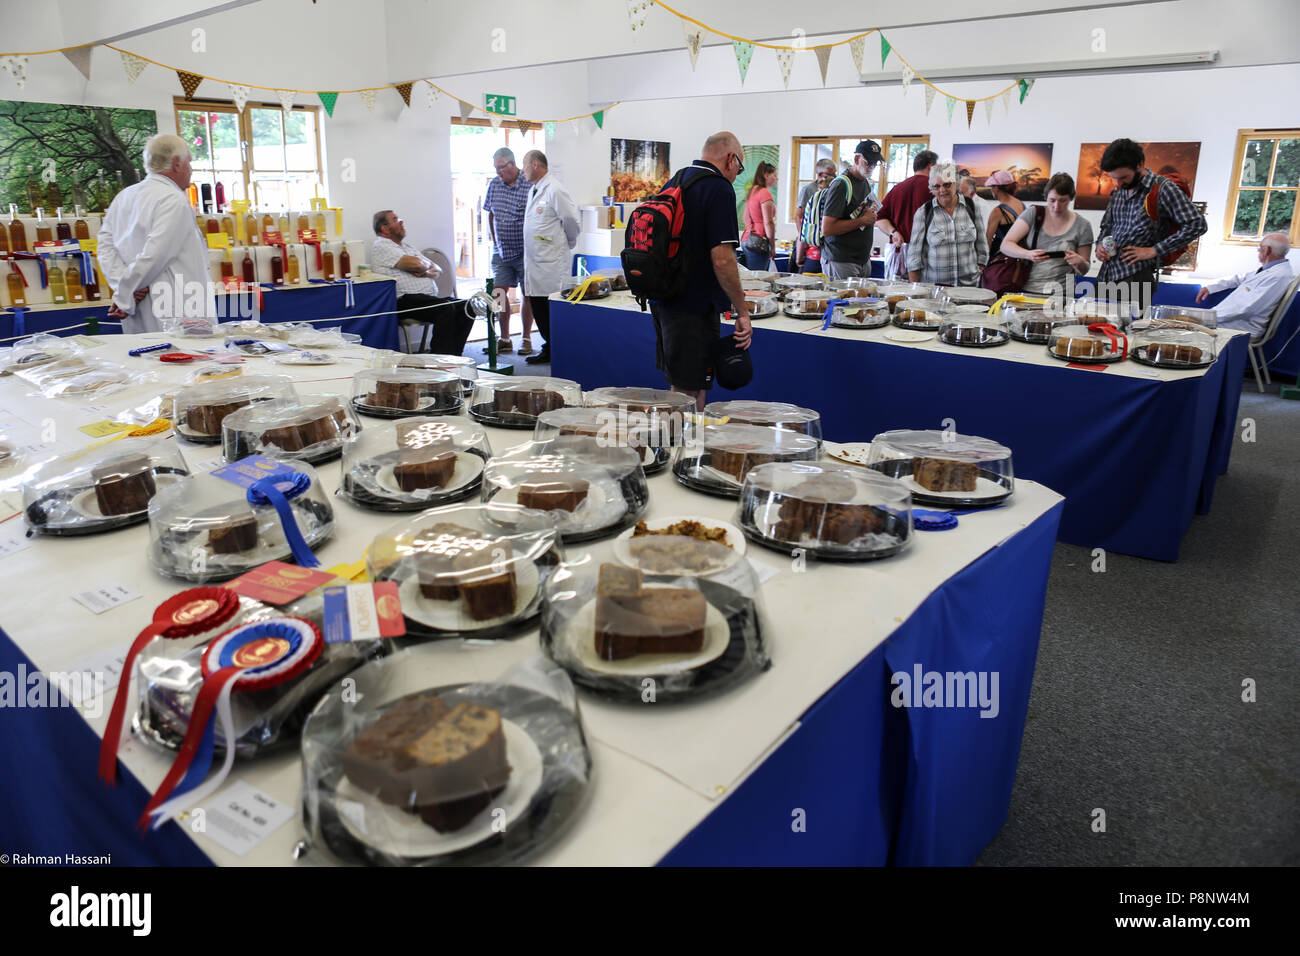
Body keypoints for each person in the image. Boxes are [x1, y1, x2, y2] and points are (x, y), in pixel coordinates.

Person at [647, 131, 753, 411]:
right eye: (739, 168)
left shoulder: (679, 179)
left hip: (665, 299)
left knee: (688, 387)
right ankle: (679, 451)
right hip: (692, 308)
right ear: (731, 159)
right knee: (688, 393)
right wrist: (742, 310)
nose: (736, 176)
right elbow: (723, 259)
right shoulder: (718, 188)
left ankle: (684, 450)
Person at [98, 133, 213, 334]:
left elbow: (105, 249)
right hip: (174, 305)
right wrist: (126, 293)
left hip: (139, 303)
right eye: (189, 163)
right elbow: (156, 253)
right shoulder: (173, 199)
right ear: (177, 164)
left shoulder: (124, 197)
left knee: (145, 361)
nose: (191, 170)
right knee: (184, 360)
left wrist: (124, 289)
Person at [1096, 137, 1207, 312]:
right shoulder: (1117, 190)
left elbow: (1197, 224)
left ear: (1140, 164)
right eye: (1114, 178)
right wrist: (1099, 246)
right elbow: (1107, 225)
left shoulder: (1163, 189)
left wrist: (1154, 250)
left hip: (1137, 276)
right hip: (1107, 273)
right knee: (1098, 327)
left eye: (1123, 177)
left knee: (1127, 332)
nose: (1118, 183)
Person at [371, 209, 473, 355]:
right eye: (395, 219)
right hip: (403, 300)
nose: (401, 221)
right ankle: (440, 358)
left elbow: (437, 269)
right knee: (445, 309)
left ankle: (454, 355)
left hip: (425, 299)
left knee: (467, 307)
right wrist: (422, 265)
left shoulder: (407, 247)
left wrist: (423, 270)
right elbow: (417, 264)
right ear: (384, 228)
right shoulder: (382, 246)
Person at [520, 150, 580, 366]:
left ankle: (557, 350)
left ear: (536, 164)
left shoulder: (554, 189)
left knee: (549, 312)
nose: (522, 170)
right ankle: (550, 347)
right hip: (537, 264)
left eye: (524, 165)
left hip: (552, 264)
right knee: (539, 309)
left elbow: (572, 220)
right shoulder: (535, 190)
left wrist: (568, 243)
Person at [998, 172, 1094, 297]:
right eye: (1052, 200)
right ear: (1046, 197)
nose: (1056, 206)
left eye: (1063, 201)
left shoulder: (1083, 225)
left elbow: (1084, 270)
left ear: (1071, 198)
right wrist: (1027, 254)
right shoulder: (1034, 214)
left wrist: (1079, 262)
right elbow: (1006, 245)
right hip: (1026, 289)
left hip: (1062, 293)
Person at [483, 147, 534, 355]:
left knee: (527, 294)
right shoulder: (494, 185)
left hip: (525, 252)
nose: (498, 173)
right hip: (501, 251)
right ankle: (504, 338)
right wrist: (496, 242)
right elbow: (490, 214)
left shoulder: (529, 184)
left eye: (500, 168)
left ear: (512, 165)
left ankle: (526, 338)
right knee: (499, 294)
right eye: (495, 169)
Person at [1195, 233, 1295, 338]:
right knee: (1188, 321)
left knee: (1187, 326)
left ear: (1267, 250)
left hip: (1242, 326)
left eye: (1259, 247)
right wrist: (1211, 287)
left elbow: (1246, 309)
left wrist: (1207, 317)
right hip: (1235, 321)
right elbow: (1239, 278)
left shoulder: (1278, 276)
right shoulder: (1270, 270)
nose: (1258, 251)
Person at [906, 160, 988, 286]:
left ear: (956, 184)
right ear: (932, 188)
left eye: (947, 185)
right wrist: (915, 291)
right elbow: (913, 258)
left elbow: (982, 247)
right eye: (937, 186)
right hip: (935, 291)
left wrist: (978, 271)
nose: (942, 190)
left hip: (969, 289)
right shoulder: (924, 212)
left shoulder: (972, 207)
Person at [819, 140, 884, 279]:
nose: (872, 166)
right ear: (856, 159)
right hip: (841, 260)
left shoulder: (865, 182)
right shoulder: (841, 185)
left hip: (862, 259)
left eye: (876, 163)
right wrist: (862, 221)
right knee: (842, 301)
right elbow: (827, 228)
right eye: (868, 162)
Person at [875, 149, 939, 279]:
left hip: (900, 255)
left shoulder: (897, 189)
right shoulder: (935, 190)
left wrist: (894, 233)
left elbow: (879, 218)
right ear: (931, 166)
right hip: (926, 256)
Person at [793, 158, 836, 272]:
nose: (835, 177)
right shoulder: (808, 189)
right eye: (831, 174)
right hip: (811, 244)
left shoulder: (836, 188)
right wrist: (803, 236)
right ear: (820, 174)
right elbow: (798, 216)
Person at [741, 162, 777, 272]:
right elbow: (768, 222)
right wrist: (772, 246)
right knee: (758, 280)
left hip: (747, 238)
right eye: (774, 175)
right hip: (759, 241)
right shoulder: (765, 193)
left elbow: (745, 216)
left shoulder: (752, 191)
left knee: (750, 278)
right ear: (766, 175)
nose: (777, 179)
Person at [983, 170, 1025, 259]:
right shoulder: (1021, 204)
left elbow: (987, 242)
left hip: (1001, 257)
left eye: (992, 187)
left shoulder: (997, 212)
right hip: (1018, 254)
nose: (991, 190)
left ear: (996, 188)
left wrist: (984, 264)